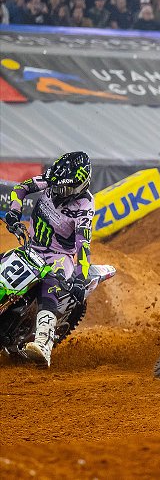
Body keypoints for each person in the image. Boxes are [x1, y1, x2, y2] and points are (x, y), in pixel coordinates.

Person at [4, 152, 93, 367]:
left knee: (50, 283)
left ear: (80, 186)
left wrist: (82, 278)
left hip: (59, 257)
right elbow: (21, 188)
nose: (57, 192)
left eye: (64, 189)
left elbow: (83, 244)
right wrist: (14, 212)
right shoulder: (52, 180)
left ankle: (43, 342)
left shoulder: (84, 207)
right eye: (56, 186)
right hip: (32, 247)